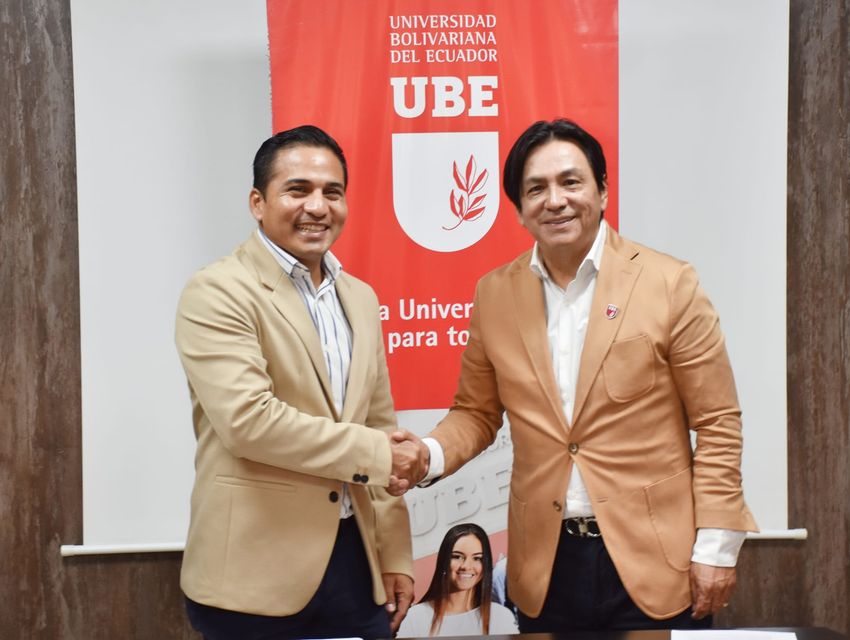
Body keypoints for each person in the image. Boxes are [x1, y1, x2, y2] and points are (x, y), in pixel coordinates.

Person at [390, 118, 758, 632]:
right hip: (545, 567)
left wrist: (717, 546)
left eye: (570, 182)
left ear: (602, 192)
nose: (555, 200)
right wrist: (425, 455)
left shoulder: (669, 282)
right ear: (518, 209)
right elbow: (475, 413)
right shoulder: (494, 294)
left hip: (657, 558)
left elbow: (718, 421)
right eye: (536, 189)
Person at [175, 125, 423, 639]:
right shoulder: (218, 291)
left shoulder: (360, 298)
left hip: (356, 569)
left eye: (332, 192)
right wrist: (381, 454)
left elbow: (380, 423)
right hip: (252, 575)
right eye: (298, 190)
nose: (318, 206)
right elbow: (249, 422)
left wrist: (394, 554)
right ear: (258, 203)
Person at [397, 524, 519, 637]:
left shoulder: (501, 616)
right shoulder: (416, 617)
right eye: (457, 557)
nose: (466, 566)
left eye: (477, 558)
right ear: (444, 560)